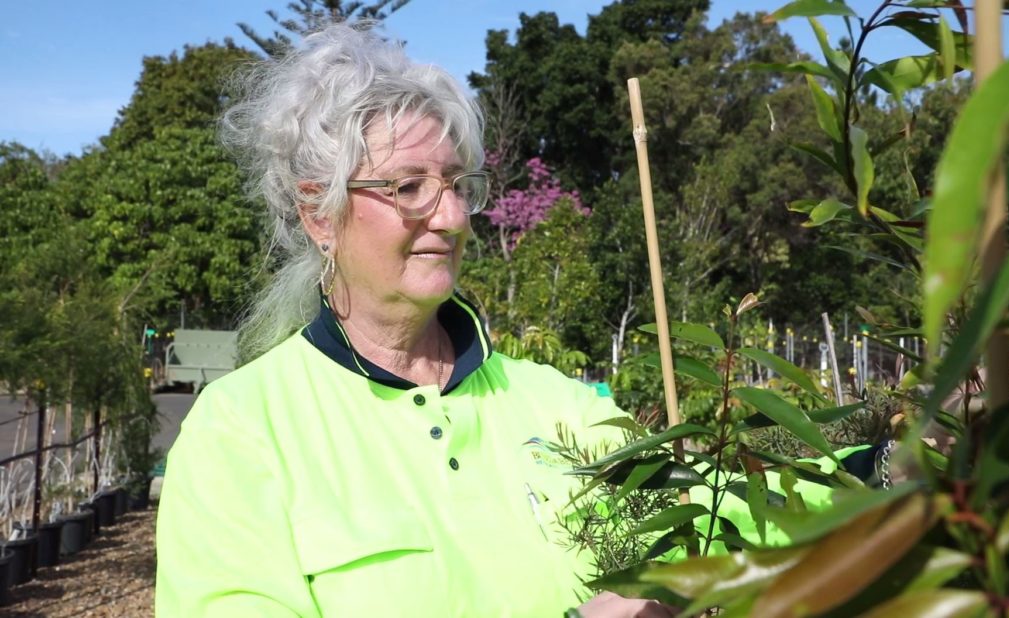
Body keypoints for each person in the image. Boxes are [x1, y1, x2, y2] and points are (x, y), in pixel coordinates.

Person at [154, 23, 678, 618]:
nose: (453, 218)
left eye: (458, 186)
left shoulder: (562, 408)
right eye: (409, 187)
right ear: (319, 215)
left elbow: (726, 521)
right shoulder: (242, 431)